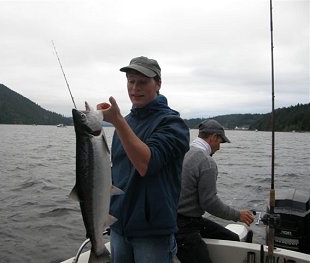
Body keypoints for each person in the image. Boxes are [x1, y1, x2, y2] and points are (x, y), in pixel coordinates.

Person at [97, 56, 190, 263]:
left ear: (158, 83)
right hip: (119, 227)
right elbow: (117, 174)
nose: (135, 88)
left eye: (143, 82)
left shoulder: (173, 124)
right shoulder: (126, 123)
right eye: (131, 81)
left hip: (153, 233)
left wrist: (117, 121)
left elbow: (145, 164)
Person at [175, 119, 255, 263]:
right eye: (220, 142)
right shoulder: (206, 162)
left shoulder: (184, 153)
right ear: (213, 137)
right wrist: (238, 215)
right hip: (184, 228)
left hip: (176, 219)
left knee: (232, 238)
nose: (219, 147)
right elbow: (209, 203)